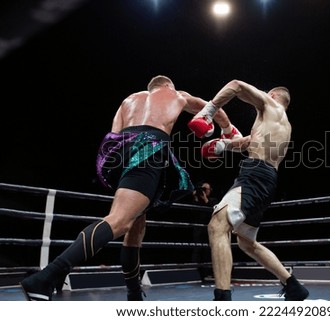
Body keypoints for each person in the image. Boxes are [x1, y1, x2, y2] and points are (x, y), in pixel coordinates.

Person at [19, 75, 235, 301]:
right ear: (168, 85)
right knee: (120, 221)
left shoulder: (128, 100)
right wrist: (229, 131)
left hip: (118, 152)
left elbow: (114, 136)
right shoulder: (177, 95)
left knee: (135, 226)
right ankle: (46, 277)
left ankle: (134, 293)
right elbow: (213, 108)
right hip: (148, 148)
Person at [188, 79, 310, 301]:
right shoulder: (278, 123)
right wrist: (223, 146)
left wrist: (208, 111)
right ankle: (293, 286)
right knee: (246, 242)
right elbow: (248, 142)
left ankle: (222, 299)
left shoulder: (271, 106)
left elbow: (236, 85)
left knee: (217, 225)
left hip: (255, 175)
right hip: (267, 179)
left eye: (265, 93)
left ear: (271, 95)